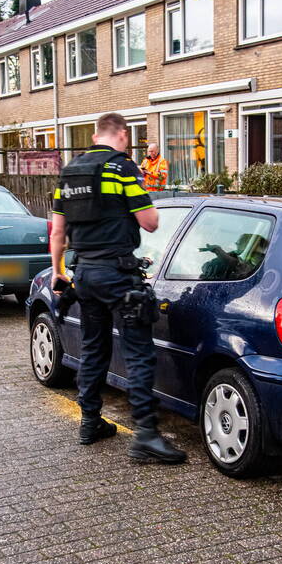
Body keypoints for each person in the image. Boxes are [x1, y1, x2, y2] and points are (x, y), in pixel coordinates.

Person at [50, 113, 185, 464]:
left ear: (96, 135)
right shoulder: (123, 169)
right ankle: (146, 437)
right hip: (117, 274)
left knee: (95, 348)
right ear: (122, 135)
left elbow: (57, 233)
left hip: (84, 275)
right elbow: (151, 223)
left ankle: (90, 423)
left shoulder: (69, 173)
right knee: (139, 351)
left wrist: (57, 272)